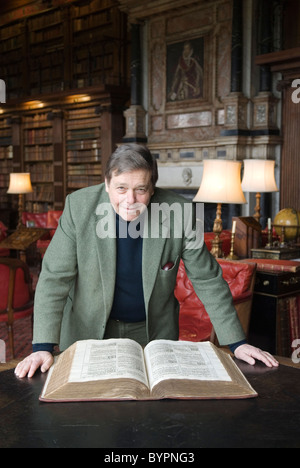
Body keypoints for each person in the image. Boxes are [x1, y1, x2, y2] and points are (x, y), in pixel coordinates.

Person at [15, 144, 278, 378]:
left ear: (152, 189)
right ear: (107, 184)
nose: (130, 201)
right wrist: (41, 347)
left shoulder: (181, 214)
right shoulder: (78, 207)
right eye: (121, 189)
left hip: (152, 335)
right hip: (88, 330)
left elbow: (207, 279)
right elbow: (53, 278)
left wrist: (237, 342)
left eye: (140, 190)